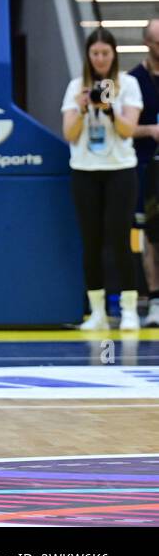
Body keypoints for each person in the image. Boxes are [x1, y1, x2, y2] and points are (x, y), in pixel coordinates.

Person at [62, 29, 144, 332]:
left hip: (120, 169)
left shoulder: (129, 84)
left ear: (114, 54)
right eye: (94, 54)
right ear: (88, 56)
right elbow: (68, 134)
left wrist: (109, 109)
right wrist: (83, 107)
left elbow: (128, 131)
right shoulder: (76, 86)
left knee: (120, 239)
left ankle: (129, 309)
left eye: (105, 54)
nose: (99, 59)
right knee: (91, 241)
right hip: (85, 170)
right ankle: (96, 312)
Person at [129, 18, 159, 327]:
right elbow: (124, 127)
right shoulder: (133, 80)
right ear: (148, 44)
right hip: (148, 166)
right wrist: (151, 130)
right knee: (152, 235)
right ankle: (154, 299)